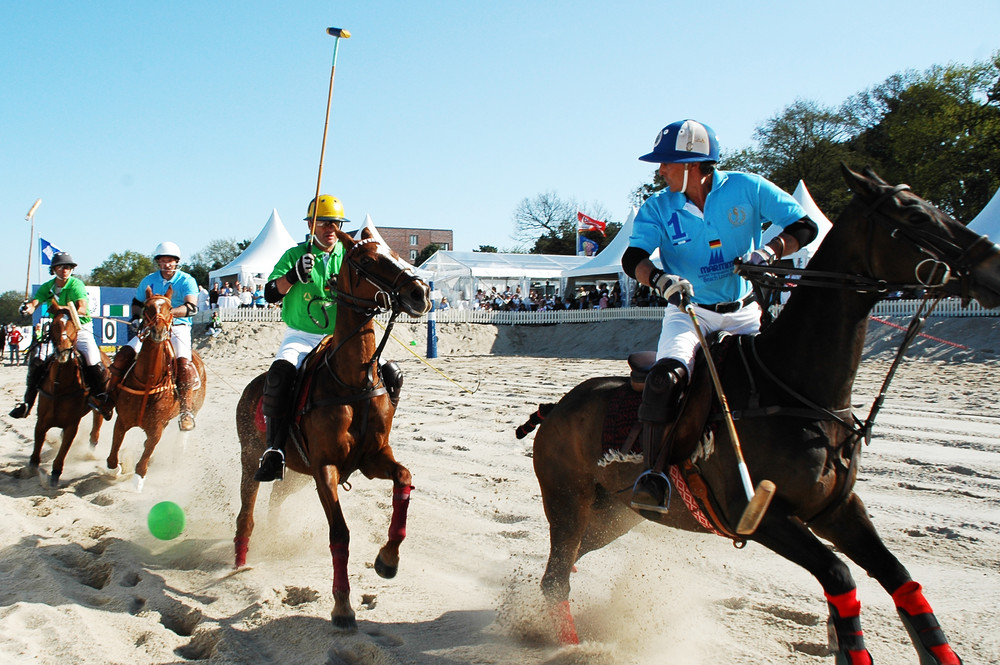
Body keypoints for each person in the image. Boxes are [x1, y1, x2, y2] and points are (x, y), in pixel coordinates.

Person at [622, 119, 818, 511]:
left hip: (744, 313)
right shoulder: (658, 206)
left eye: (666, 163)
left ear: (693, 164)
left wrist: (769, 251)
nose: (660, 171)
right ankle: (654, 474)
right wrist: (662, 281)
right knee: (665, 379)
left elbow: (805, 225)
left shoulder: (748, 187)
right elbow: (633, 259)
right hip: (689, 313)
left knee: (778, 383)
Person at [254, 195, 397, 482]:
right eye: (323, 223)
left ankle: (375, 437)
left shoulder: (348, 256)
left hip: (342, 338)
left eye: (335, 223)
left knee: (391, 374)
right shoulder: (294, 255)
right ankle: (274, 450)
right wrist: (293, 276)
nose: (330, 229)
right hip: (302, 335)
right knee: (280, 373)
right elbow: (270, 293)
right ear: (310, 225)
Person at [107, 241, 200, 431]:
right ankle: (108, 398)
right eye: (163, 261)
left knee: (183, 364)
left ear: (176, 262)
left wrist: (167, 314)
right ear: (158, 262)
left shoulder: (187, 280)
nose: (167, 264)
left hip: (178, 327)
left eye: (170, 261)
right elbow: (137, 302)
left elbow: (192, 307)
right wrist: (135, 317)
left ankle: (186, 410)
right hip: (150, 327)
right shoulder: (148, 280)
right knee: (123, 355)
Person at [9, 252, 113, 419]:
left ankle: (102, 398)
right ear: (54, 269)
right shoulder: (48, 286)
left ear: (71, 269)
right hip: (58, 329)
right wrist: (28, 308)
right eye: (60, 267)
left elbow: (82, 306)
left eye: (68, 267)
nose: (64, 270)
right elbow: (35, 302)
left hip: (79, 327)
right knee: (37, 359)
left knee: (93, 360)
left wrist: (63, 309)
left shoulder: (76, 284)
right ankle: (27, 403)